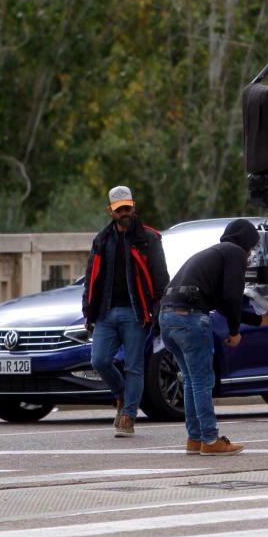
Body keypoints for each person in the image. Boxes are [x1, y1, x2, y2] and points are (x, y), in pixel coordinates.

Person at [160, 219, 268, 456]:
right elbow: (231, 297)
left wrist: (257, 320)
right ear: (246, 242)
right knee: (202, 381)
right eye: (252, 248)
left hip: (167, 318)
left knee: (191, 380)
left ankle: (195, 438)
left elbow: (221, 303)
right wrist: (235, 332)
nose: (250, 255)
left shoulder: (213, 254)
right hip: (190, 319)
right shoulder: (235, 253)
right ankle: (210, 439)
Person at [82, 185, 169, 437]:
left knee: (134, 367)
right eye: (119, 209)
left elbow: (161, 279)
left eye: (127, 208)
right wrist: (89, 312)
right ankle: (121, 395)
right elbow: (91, 278)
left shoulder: (149, 238)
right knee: (99, 360)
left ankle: (129, 415)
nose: (124, 213)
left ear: (134, 207)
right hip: (105, 313)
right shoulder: (101, 239)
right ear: (110, 211)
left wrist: (157, 312)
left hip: (136, 313)